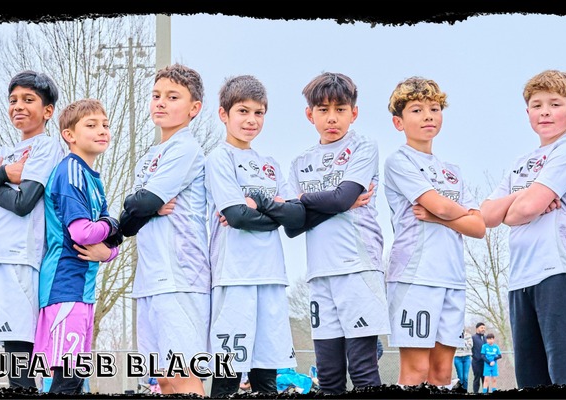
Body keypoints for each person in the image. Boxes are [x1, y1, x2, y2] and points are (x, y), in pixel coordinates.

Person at [479, 70, 566, 388]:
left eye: (555, 104)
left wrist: (517, 206)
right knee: (530, 380)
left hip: (560, 272)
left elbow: (527, 209)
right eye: (537, 105)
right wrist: (524, 198)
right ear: (527, 112)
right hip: (521, 278)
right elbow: (485, 215)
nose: (545, 112)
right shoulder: (521, 162)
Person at [0, 70, 63, 389]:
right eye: (13, 100)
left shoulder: (47, 147)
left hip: (18, 260)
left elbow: (23, 203)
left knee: (18, 365)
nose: (18, 106)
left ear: (47, 110)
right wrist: (3, 173)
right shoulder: (4, 153)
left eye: (28, 100)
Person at [283, 72, 383, 395]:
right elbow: (293, 225)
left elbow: (341, 197)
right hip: (319, 276)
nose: (332, 118)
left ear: (354, 113)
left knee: (363, 370)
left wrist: (303, 200)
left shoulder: (363, 146)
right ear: (309, 114)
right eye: (323, 109)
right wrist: (337, 202)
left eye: (340, 109)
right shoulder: (299, 163)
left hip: (358, 270)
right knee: (328, 377)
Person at [382, 77, 485, 388]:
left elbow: (479, 227)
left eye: (434, 109)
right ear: (398, 122)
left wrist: (442, 219)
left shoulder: (452, 171)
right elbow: (438, 204)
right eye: (417, 110)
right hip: (415, 278)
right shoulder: (399, 160)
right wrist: (452, 213)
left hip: (452, 279)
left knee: (441, 373)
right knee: (416, 372)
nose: (428, 116)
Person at [204, 75, 303, 397]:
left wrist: (258, 202)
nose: (251, 120)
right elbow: (236, 216)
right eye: (243, 111)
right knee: (228, 375)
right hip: (234, 276)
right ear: (224, 114)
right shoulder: (220, 158)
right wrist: (275, 210)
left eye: (258, 113)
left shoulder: (269, 165)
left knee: (267, 377)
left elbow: (297, 219)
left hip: (272, 277)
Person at [117, 63, 210, 396]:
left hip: (180, 278)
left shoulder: (186, 149)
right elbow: (129, 221)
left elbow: (142, 203)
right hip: (149, 279)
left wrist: (143, 205)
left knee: (184, 376)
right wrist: (141, 205)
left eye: (172, 97)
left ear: (194, 108)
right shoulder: (149, 157)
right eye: (156, 95)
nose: (161, 102)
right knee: (164, 379)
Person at [34, 99, 123, 394]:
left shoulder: (93, 178)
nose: (102, 131)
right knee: (66, 379)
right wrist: (113, 225)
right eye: (92, 125)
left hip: (84, 290)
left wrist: (108, 251)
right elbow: (82, 232)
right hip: (65, 287)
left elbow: (109, 242)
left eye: (105, 125)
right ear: (69, 135)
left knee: (75, 379)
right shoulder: (70, 170)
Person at [471, 323, 487, 393]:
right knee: (477, 379)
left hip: (485, 362)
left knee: (485, 379)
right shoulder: (473, 338)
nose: (483, 329)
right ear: (477, 329)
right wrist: (475, 356)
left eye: (484, 328)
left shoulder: (486, 338)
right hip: (476, 362)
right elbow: (470, 348)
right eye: (482, 328)